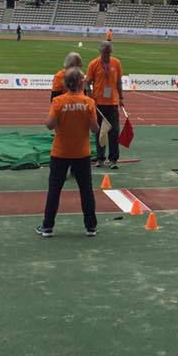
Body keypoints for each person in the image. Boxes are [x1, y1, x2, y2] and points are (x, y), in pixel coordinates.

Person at [36, 68, 100, 238]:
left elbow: (49, 125)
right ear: (81, 83)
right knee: (86, 190)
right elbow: (95, 129)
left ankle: (48, 226)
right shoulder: (89, 102)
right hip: (82, 152)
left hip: (60, 152)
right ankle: (91, 226)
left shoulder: (58, 101)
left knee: (54, 190)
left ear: (66, 83)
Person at [86, 41, 124, 169]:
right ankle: (100, 158)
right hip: (98, 103)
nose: (107, 55)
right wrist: (89, 94)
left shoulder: (116, 63)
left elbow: (119, 82)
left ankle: (113, 159)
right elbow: (87, 82)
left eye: (109, 52)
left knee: (114, 132)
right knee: (100, 132)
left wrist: (121, 97)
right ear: (100, 51)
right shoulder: (93, 64)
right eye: (105, 52)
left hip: (112, 102)